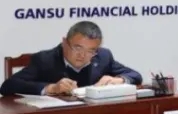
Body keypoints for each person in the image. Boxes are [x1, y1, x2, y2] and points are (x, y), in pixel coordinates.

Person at [0, 21, 142, 96]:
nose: (82, 55)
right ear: (64, 43)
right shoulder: (45, 59)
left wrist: (118, 80)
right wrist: (51, 88)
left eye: (90, 51)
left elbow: (135, 76)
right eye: (77, 48)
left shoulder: (103, 56)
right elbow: (8, 86)